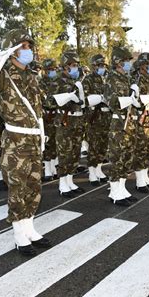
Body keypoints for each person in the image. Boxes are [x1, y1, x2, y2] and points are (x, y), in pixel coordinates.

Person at [0, 29, 51, 256]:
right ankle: (19, 234)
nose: (28, 51)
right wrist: (3, 54)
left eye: (29, 46)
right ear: (13, 50)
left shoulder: (31, 75)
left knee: (34, 186)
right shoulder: (1, 75)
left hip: (34, 138)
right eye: (24, 47)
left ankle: (29, 229)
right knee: (17, 188)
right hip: (16, 140)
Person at [105, 46, 139, 205]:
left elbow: (136, 103)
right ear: (118, 62)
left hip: (129, 122)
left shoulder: (127, 78)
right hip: (118, 123)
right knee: (117, 157)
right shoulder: (111, 78)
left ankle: (122, 189)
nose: (128, 64)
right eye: (125, 61)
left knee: (127, 156)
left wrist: (135, 95)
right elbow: (112, 102)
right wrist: (129, 100)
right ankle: (114, 192)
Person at [55, 50, 87, 197]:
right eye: (73, 65)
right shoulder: (58, 81)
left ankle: (70, 180)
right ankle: (62, 183)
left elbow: (83, 103)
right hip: (65, 120)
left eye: (76, 65)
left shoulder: (76, 81)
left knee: (75, 152)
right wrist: (68, 96)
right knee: (65, 152)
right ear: (65, 66)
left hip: (78, 119)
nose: (76, 68)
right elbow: (49, 101)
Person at [131, 52, 149, 193]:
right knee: (140, 150)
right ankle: (139, 180)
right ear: (143, 65)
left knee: (148, 149)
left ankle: (145, 176)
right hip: (141, 120)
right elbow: (137, 101)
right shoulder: (136, 79)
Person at [82, 54, 110, 186]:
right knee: (94, 145)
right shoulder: (87, 79)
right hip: (94, 117)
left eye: (104, 65)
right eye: (100, 65)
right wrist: (100, 97)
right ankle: (92, 171)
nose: (102, 68)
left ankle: (98, 169)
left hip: (106, 117)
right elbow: (86, 99)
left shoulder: (107, 78)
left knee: (103, 145)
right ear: (94, 66)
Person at [39, 58, 60, 181]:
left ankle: (53, 168)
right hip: (47, 116)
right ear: (45, 71)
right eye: (50, 69)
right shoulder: (41, 84)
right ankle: (47, 170)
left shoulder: (57, 82)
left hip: (56, 115)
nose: (53, 71)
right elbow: (43, 101)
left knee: (55, 143)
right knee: (47, 143)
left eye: (54, 69)